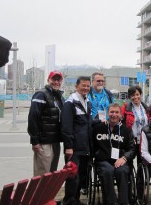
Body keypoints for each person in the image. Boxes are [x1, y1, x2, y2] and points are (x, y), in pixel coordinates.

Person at [93, 103, 136, 205]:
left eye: (117, 112)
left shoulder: (126, 130)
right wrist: (98, 155)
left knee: (122, 171)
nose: (114, 114)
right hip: (103, 161)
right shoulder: (98, 128)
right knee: (108, 171)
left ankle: (124, 202)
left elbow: (132, 149)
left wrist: (124, 158)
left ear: (121, 115)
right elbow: (92, 147)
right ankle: (111, 202)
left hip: (120, 161)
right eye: (112, 112)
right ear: (108, 113)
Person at [61, 76, 93, 205]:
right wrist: (68, 146)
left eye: (87, 86)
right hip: (74, 147)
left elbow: (88, 123)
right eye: (83, 85)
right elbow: (66, 126)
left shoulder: (87, 102)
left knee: (81, 175)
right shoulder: (70, 103)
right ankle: (69, 201)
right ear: (76, 86)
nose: (86, 88)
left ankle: (76, 200)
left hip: (85, 146)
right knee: (72, 175)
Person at [28, 70, 64, 176]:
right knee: (42, 176)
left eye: (59, 80)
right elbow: (33, 118)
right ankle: (38, 193)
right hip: (44, 143)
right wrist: (35, 141)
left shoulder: (59, 96)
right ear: (48, 80)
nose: (56, 82)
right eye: (54, 79)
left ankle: (48, 193)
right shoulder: (41, 94)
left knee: (51, 176)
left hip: (55, 142)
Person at [121, 85, 149, 164]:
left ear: (140, 95)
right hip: (131, 139)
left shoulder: (146, 108)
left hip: (144, 139)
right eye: (133, 95)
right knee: (129, 160)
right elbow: (120, 121)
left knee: (142, 161)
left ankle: (140, 176)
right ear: (130, 97)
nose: (135, 97)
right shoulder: (125, 108)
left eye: (137, 94)